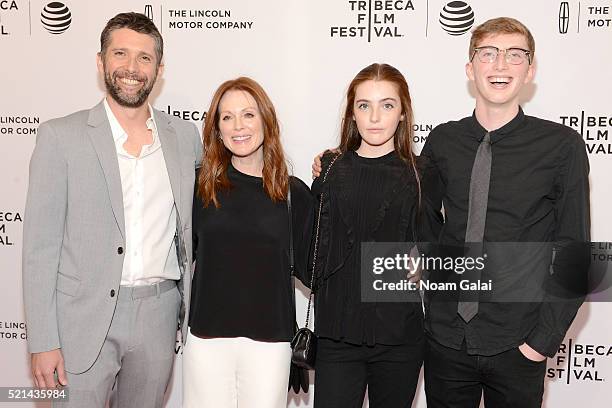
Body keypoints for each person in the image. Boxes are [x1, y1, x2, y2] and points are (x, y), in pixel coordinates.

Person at [22, 12, 202, 407]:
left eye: (144, 57)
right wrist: (43, 340)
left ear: (159, 69)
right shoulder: (60, 137)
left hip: (159, 313)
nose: (131, 68)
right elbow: (39, 249)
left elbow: (226, 186)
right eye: (120, 54)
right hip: (80, 320)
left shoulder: (184, 137)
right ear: (101, 61)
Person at [419, 17, 589, 408]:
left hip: (519, 342)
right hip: (445, 340)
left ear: (529, 71)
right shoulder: (443, 140)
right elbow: (421, 225)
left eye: (514, 55)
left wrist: (541, 342)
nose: (500, 65)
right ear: (470, 68)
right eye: (488, 54)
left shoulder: (562, 147)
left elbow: (575, 251)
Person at [183, 77, 314, 408]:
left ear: (266, 121)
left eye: (248, 115)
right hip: (206, 340)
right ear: (217, 128)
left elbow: (316, 271)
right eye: (226, 117)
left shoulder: (292, 193)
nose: (237, 126)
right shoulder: (199, 187)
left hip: (270, 344)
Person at [311, 63, 435, 408]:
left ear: (402, 113)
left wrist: (426, 259)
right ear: (352, 113)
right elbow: (315, 247)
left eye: (387, 105)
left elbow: (437, 243)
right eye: (364, 105)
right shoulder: (331, 168)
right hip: (336, 334)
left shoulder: (421, 172)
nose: (375, 117)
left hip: (400, 336)